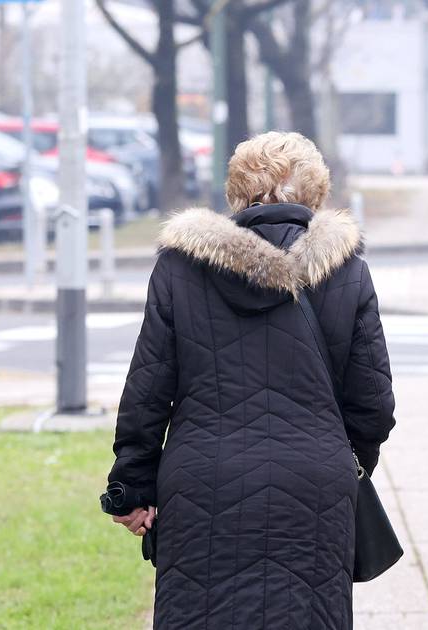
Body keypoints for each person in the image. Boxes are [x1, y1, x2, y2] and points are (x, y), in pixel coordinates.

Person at [102, 131, 396, 629]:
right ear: (315, 193)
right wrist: (345, 459)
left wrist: (131, 485)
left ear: (236, 193)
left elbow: (148, 388)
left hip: (201, 484)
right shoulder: (347, 273)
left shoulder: (179, 269)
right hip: (315, 486)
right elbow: (373, 404)